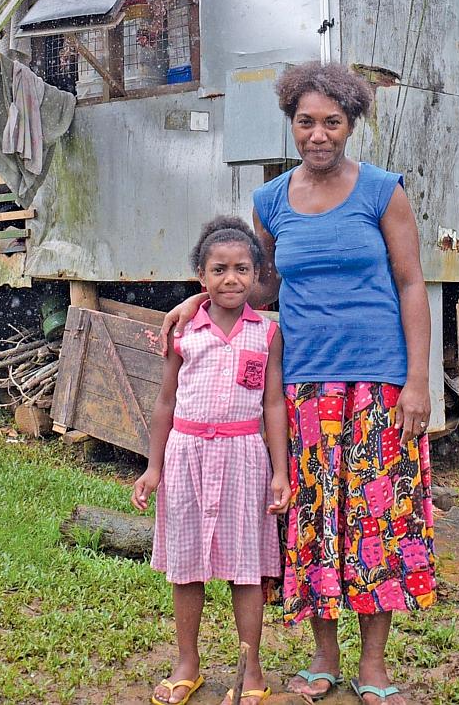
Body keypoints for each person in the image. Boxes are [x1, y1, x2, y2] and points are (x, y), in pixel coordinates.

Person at [161, 62, 436, 705]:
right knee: (313, 522)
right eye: (306, 121)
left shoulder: (382, 191)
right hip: (302, 388)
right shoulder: (271, 202)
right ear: (291, 123)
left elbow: (412, 283)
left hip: (376, 383)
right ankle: (323, 658)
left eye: (332, 122)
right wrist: (192, 304)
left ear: (351, 126)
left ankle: (372, 666)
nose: (318, 134)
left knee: (377, 523)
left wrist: (417, 381)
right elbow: (254, 286)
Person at [134, 216, 292, 705]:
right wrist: (153, 466)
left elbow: (272, 404)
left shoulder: (266, 334)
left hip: (246, 459)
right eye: (218, 269)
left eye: (242, 269)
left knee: (246, 567)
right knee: (186, 566)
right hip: (185, 456)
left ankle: (252, 671)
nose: (231, 279)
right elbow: (165, 402)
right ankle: (188, 664)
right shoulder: (183, 332)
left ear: (257, 275)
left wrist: (281, 471)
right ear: (200, 277)